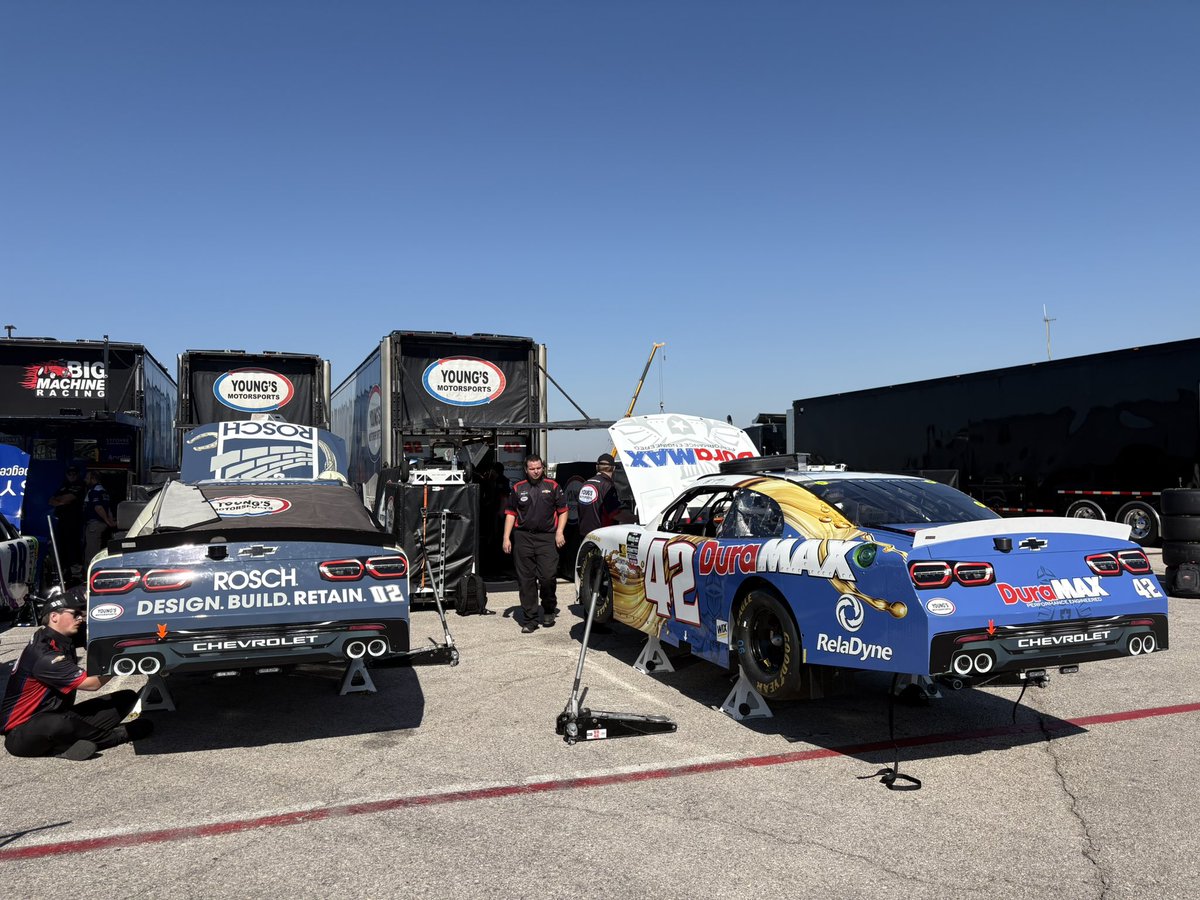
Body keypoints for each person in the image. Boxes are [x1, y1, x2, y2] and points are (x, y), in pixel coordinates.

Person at [1, 595, 151, 760]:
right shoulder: (44, 655)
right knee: (59, 724)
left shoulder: (60, 636)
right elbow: (91, 683)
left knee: (126, 698)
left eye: (81, 614)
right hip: (23, 733)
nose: (80, 618)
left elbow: (100, 631)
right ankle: (116, 736)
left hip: (61, 714)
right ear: (54, 616)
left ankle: (66, 743)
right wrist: (123, 661)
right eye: (75, 614)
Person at [502, 454, 566, 633]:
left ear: (543, 468)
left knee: (547, 577)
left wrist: (560, 532)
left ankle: (548, 608)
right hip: (523, 538)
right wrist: (506, 537)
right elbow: (510, 513)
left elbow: (563, 511)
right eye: (532, 468)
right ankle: (530, 619)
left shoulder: (553, 486)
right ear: (526, 469)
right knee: (526, 580)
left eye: (538, 468)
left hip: (547, 537)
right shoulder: (517, 488)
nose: (536, 471)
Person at [47, 464, 86, 579]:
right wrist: (61, 502)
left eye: (74, 474)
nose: (72, 476)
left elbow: (69, 498)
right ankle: (65, 570)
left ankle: (76, 572)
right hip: (62, 521)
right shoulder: (64, 486)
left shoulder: (80, 485)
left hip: (74, 521)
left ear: (78, 474)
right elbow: (51, 500)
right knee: (61, 545)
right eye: (70, 474)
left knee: (73, 545)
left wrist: (60, 500)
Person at [576, 453, 627, 537]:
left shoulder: (585, 484)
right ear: (613, 468)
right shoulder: (608, 486)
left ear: (597, 467)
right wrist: (636, 519)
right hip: (601, 536)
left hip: (584, 535)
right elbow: (615, 513)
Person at [82, 470, 118, 566]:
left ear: (93, 479)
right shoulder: (103, 491)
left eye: (87, 478)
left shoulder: (95, 491)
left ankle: (90, 574)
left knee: (91, 550)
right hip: (100, 524)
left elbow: (98, 507)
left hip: (95, 524)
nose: (85, 480)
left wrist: (107, 521)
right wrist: (110, 521)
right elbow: (108, 508)